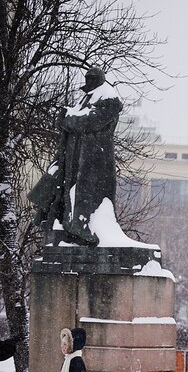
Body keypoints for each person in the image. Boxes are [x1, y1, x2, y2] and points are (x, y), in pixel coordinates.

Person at [28, 67, 122, 246]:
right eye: (87, 78)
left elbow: (88, 121)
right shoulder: (87, 97)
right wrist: (69, 117)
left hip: (95, 161)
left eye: (92, 78)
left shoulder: (109, 98)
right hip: (75, 158)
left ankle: (83, 227)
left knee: (85, 197)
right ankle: (68, 223)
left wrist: (67, 118)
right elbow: (77, 119)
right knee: (64, 189)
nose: (89, 81)